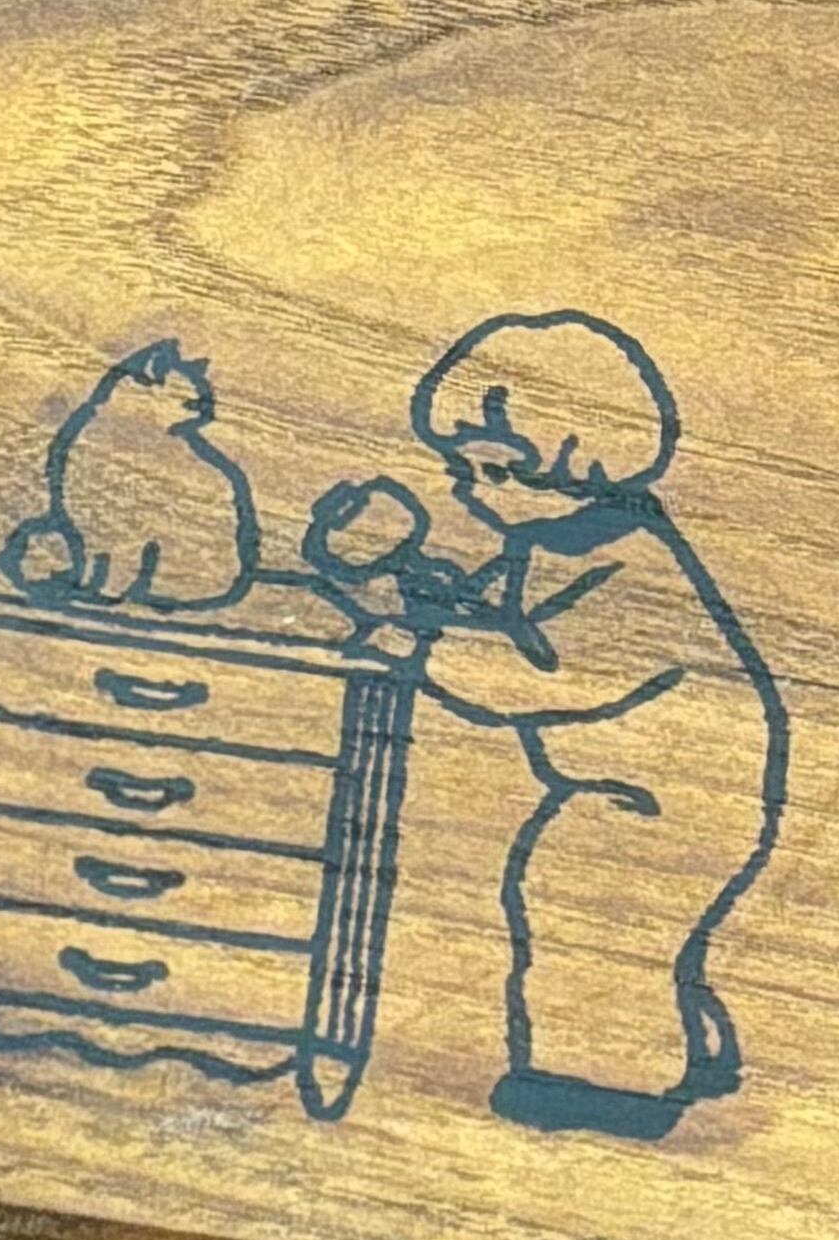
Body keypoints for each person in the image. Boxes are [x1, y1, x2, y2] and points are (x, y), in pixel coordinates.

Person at [309, 312, 784, 1140]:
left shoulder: (621, 558)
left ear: (578, 468)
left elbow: (547, 675)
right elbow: (506, 618)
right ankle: (697, 1051)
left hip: (667, 802)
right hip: (626, 790)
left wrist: (424, 656)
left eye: (492, 469)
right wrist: (424, 596)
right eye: (460, 468)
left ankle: (608, 1091)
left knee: (587, 919)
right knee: (632, 924)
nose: (469, 488)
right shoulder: (554, 540)